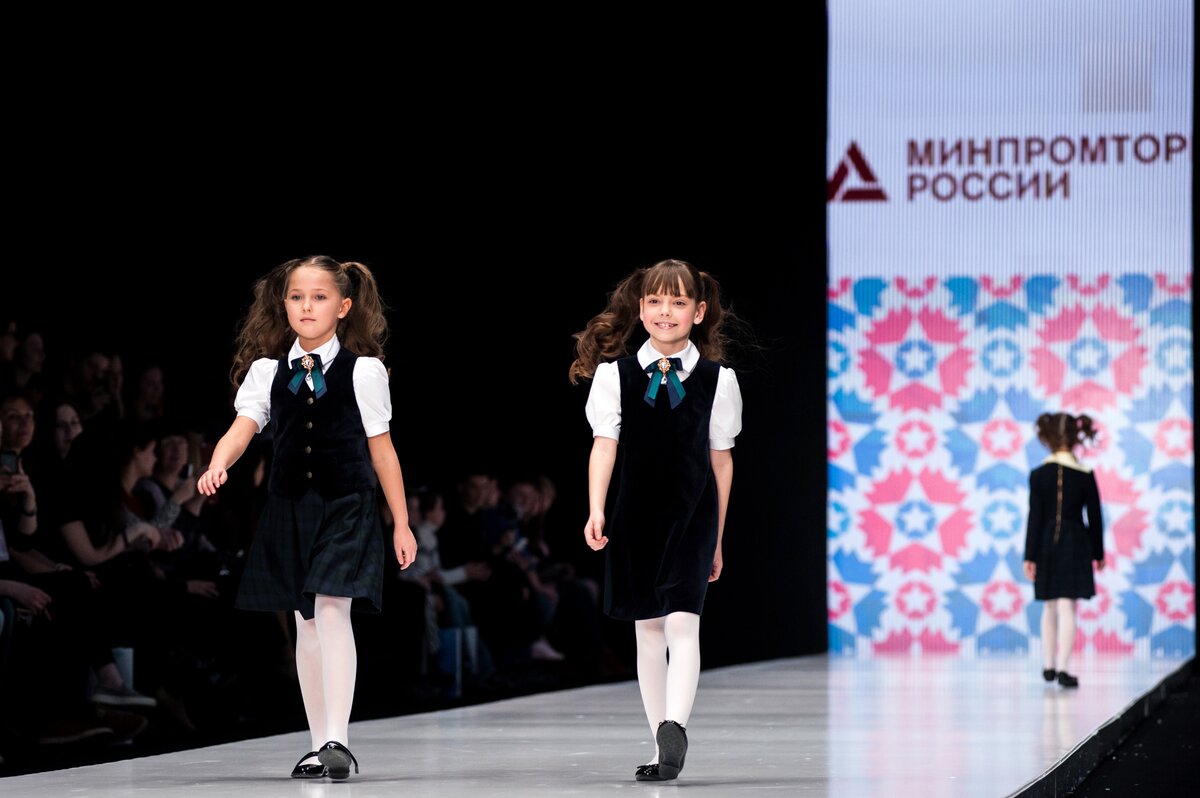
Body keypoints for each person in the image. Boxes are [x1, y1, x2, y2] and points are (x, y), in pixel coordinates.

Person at [197, 255, 417, 782]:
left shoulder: (363, 371)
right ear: (284, 303)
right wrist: (218, 463)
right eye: (296, 296)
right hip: (290, 506)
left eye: (319, 297)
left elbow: (383, 449)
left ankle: (338, 738)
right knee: (308, 622)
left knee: (333, 608)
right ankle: (320, 745)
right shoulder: (268, 372)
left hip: (347, 503)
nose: (306, 306)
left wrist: (402, 522)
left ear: (343, 306)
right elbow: (243, 426)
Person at [569, 258, 743, 782]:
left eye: (678, 302)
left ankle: (674, 725)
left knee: (683, 620)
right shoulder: (614, 375)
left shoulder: (718, 380)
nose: (665, 311)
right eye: (655, 301)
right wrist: (596, 508)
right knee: (648, 628)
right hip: (635, 514)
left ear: (699, 311)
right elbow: (604, 445)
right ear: (641, 308)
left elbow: (721, 460)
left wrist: (718, 537)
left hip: (693, 514)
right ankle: (661, 747)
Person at [1023, 411, 1105, 689]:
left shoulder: (1039, 474)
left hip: (1047, 541)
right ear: (1075, 438)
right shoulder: (1084, 474)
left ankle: (1049, 665)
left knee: (1050, 604)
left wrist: (1029, 555)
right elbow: (1094, 517)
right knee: (1067, 605)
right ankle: (1063, 668)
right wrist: (1098, 552)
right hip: (1075, 541)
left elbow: (1035, 517)